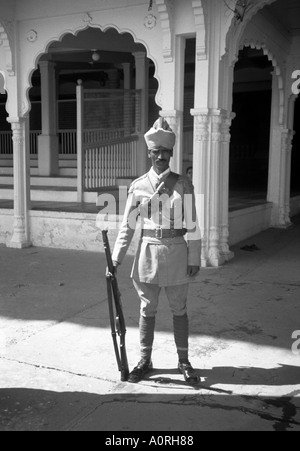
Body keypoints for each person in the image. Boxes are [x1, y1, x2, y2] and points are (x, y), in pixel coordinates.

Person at [111, 117, 201, 385]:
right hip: (148, 252)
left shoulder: (182, 184)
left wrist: (194, 257)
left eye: (165, 152)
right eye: (156, 151)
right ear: (149, 153)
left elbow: (193, 224)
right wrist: (115, 259)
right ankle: (144, 360)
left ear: (171, 153)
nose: (161, 156)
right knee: (147, 308)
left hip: (176, 252)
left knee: (179, 308)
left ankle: (183, 360)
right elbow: (128, 226)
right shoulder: (138, 186)